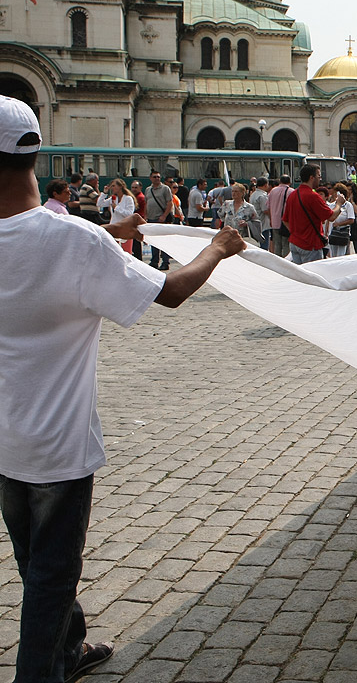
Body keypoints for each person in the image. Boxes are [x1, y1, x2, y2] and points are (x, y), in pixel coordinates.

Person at [0, 95, 246, 683]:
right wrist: (216, 247)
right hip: (58, 449)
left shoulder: (76, 240)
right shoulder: (74, 244)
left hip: (5, 443)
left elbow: (43, 249)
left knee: (34, 561)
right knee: (52, 578)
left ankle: (69, 650)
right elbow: (169, 290)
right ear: (38, 151)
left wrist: (111, 233)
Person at [282, 164, 343, 263]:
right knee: (311, 275)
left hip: (295, 243)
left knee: (298, 276)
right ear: (311, 177)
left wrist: (296, 233)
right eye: (318, 176)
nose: (320, 179)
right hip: (310, 245)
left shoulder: (293, 194)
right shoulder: (313, 196)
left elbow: (285, 220)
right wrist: (339, 204)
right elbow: (331, 216)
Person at [97, 179, 136, 252]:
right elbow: (99, 204)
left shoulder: (128, 199)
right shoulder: (113, 198)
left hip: (125, 228)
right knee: (113, 251)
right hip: (114, 227)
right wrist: (104, 193)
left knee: (126, 252)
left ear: (120, 186)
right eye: (111, 186)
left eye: (114, 186)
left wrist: (117, 208)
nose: (112, 188)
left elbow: (129, 214)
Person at [145, 171, 173, 270]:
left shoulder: (165, 189)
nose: (157, 178)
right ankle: (154, 261)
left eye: (158, 177)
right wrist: (145, 216)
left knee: (164, 241)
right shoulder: (148, 190)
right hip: (151, 219)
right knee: (154, 242)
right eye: (155, 177)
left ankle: (165, 262)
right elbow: (146, 203)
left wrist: (164, 216)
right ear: (150, 178)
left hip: (161, 219)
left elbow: (170, 203)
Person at [268, 175, 291, 257]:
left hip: (274, 222)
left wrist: (271, 219)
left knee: (277, 245)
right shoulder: (291, 191)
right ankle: (285, 263)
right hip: (286, 223)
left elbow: (268, 207)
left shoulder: (273, 191)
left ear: (280, 181)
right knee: (286, 245)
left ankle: (277, 262)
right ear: (289, 182)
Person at [250, 177, 271, 250]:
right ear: (265, 185)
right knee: (264, 246)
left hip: (254, 223)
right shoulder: (263, 196)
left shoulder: (253, 194)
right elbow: (265, 210)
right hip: (263, 224)